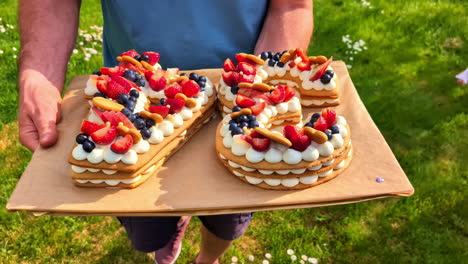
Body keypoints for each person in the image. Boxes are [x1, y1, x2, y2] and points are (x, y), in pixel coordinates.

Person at [18, 0, 313, 263]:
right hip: (130, 98)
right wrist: (38, 74)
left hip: (241, 105)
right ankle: (171, 229)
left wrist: (260, 91)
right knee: (147, 235)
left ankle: (208, 258)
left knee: (226, 221)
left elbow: (290, 6)